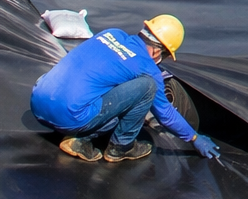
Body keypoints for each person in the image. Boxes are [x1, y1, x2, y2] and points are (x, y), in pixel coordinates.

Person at [29, 14, 222, 163]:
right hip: (69, 118)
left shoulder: (111, 33)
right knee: (146, 87)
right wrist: (194, 137)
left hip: (38, 102)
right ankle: (121, 147)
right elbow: (165, 114)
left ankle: (78, 131)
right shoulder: (148, 69)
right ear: (158, 51)